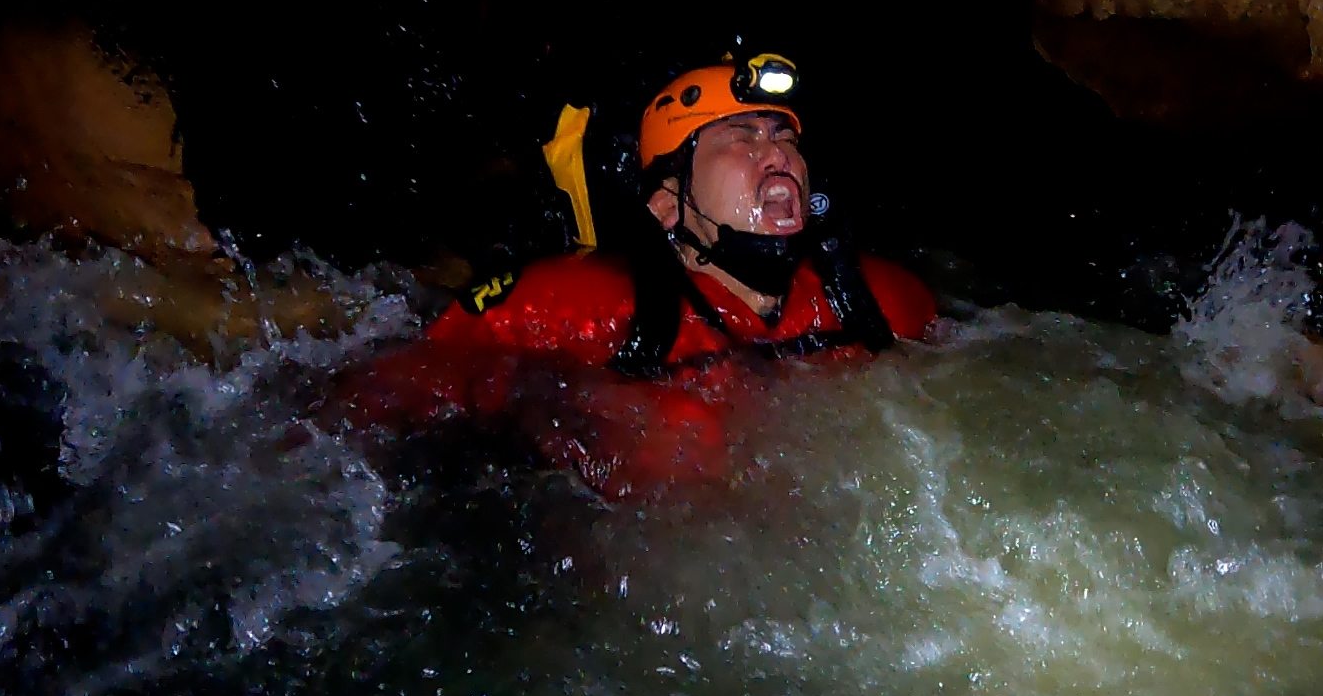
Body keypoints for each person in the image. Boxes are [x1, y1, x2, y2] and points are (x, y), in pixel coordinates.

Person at [332, 53, 936, 497]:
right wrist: (553, 403)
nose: (780, 155)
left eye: (784, 138)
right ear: (669, 203)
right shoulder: (581, 303)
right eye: (741, 137)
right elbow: (385, 388)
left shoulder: (882, 302)